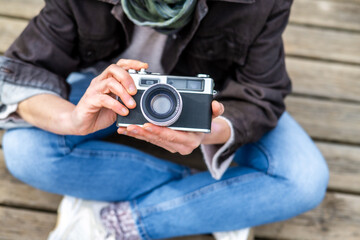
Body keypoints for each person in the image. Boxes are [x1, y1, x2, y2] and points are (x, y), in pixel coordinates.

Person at [0, 0, 329, 239]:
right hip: (115, 92)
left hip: (216, 100)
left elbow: (262, 91)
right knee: (25, 150)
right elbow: (23, 71)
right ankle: (227, 199)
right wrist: (73, 120)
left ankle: (122, 221)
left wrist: (207, 131)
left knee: (303, 180)